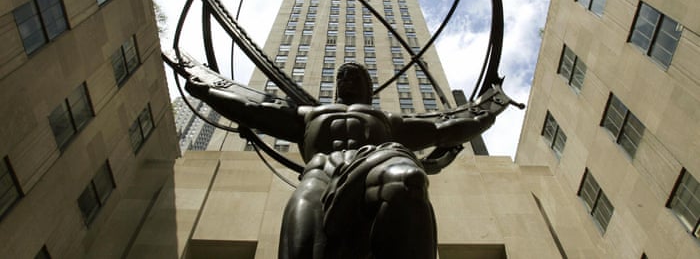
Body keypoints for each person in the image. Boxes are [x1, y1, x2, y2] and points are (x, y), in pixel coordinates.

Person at [185, 62, 504, 259]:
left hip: (374, 164)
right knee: (302, 244)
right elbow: (253, 111)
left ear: (369, 87)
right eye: (341, 76)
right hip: (320, 174)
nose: (346, 79)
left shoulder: (387, 119)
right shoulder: (308, 114)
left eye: (354, 76)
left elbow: (441, 131)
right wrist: (206, 92)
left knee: (408, 180)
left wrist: (488, 114)